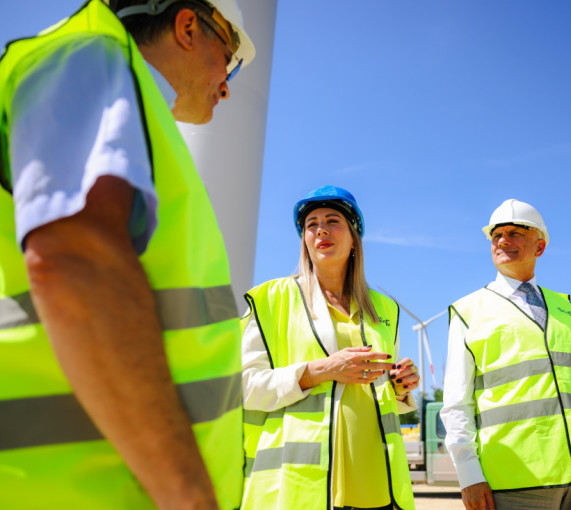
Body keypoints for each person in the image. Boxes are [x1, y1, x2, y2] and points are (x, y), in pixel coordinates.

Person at [0, 1, 255, 508]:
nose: (227, 86)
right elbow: (76, 262)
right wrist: (190, 497)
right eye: (228, 60)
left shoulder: (136, 115)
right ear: (188, 27)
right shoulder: (91, 57)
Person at [441, 199, 571, 510]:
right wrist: (468, 473)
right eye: (496, 235)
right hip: (513, 477)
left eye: (515, 233)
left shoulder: (568, 309)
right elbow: (457, 403)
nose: (503, 241)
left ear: (539, 246)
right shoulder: (468, 311)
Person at [240, 185, 419, 510]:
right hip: (300, 487)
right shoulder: (271, 300)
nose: (321, 230)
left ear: (354, 238)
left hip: (377, 484)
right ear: (305, 241)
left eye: (332, 221)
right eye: (312, 225)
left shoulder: (385, 309)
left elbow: (378, 391)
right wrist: (320, 370)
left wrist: (401, 386)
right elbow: (243, 388)